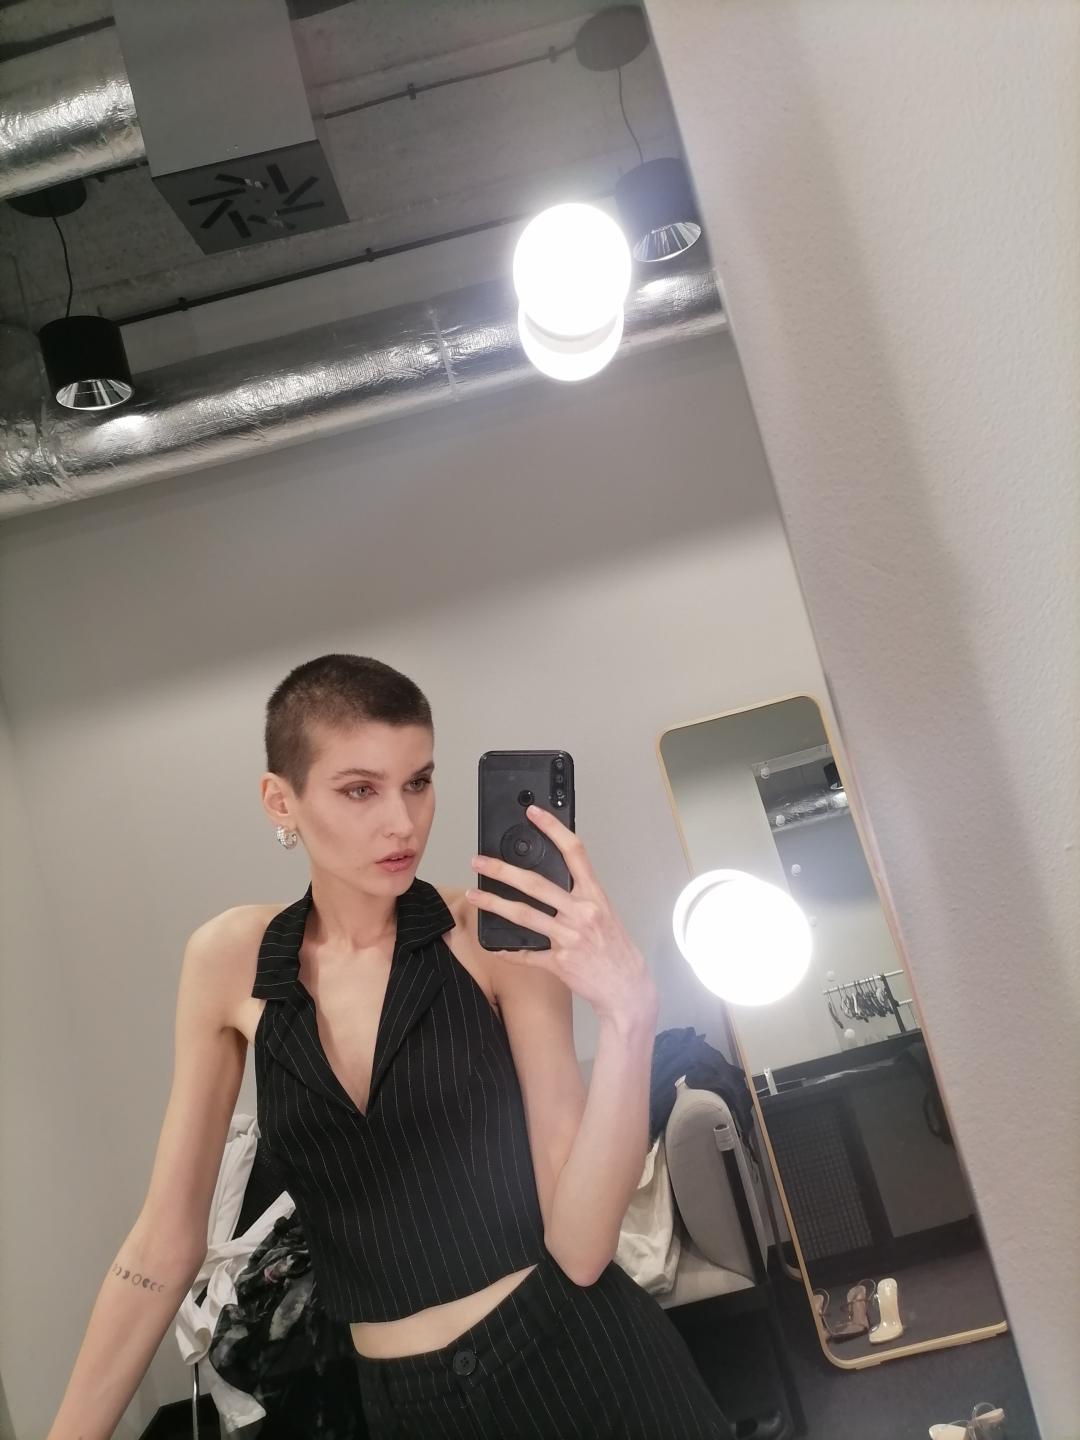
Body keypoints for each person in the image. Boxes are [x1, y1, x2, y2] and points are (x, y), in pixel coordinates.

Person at [46, 654, 734, 1439]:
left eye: (419, 782)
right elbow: (163, 1245)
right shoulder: (229, 961)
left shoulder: (490, 938)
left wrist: (630, 1016)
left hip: (580, 1364)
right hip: (406, 1409)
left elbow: (580, 1248)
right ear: (281, 800)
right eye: (360, 789)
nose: (403, 822)